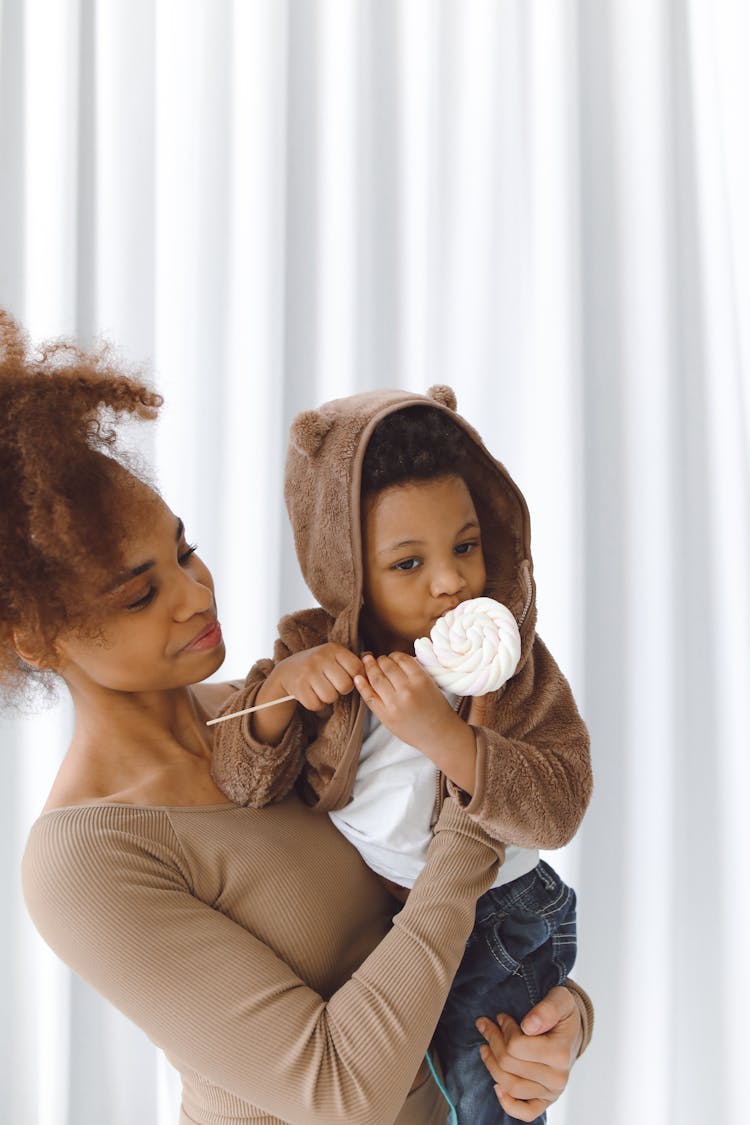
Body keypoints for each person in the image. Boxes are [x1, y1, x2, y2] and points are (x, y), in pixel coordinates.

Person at [1, 312, 593, 1125]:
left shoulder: (276, 711)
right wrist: (470, 788)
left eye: (185, 549)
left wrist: (553, 1021)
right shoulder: (85, 861)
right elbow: (339, 1090)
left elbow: (419, 921)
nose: (196, 592)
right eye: (141, 593)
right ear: (35, 636)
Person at [211, 387, 593, 1124]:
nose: (449, 581)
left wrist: (448, 737)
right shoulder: (315, 653)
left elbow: (561, 801)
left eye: (465, 546)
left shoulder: (509, 663)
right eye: (408, 562)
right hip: (386, 926)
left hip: (497, 915)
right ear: (350, 569)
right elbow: (240, 776)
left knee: (492, 1101)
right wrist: (287, 690)